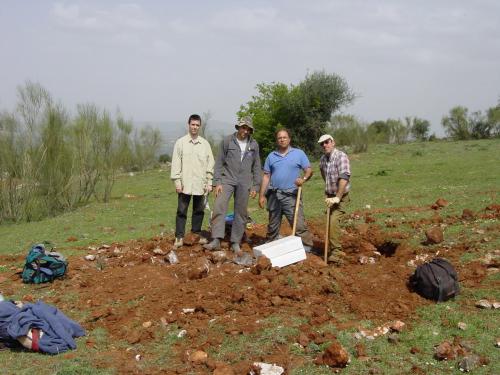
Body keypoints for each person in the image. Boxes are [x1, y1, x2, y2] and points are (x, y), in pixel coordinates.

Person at [204, 117, 261, 252]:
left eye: (248, 129)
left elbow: (257, 166)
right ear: (238, 127)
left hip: (245, 181)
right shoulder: (228, 141)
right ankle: (216, 239)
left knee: (241, 212)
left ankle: (235, 241)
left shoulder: (254, 145)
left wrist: (255, 186)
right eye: (243, 128)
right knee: (219, 206)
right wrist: (217, 182)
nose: (245, 131)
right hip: (227, 179)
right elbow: (219, 163)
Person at [258, 129, 314, 251]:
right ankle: (272, 245)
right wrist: (261, 195)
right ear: (277, 140)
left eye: (284, 137)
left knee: (298, 224)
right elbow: (266, 176)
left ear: (289, 139)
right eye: (279, 138)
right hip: (274, 194)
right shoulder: (271, 156)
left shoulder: (298, 153)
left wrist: (303, 179)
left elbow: (309, 170)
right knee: (273, 225)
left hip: (291, 195)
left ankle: (307, 248)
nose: (282, 139)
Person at [170, 114, 215, 249]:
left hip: (200, 185)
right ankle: (179, 237)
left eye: (197, 125)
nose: (194, 127)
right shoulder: (181, 143)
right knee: (181, 211)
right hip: (185, 185)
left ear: (199, 127)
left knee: (199, 211)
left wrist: (209, 181)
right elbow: (176, 164)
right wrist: (177, 182)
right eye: (192, 124)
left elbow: (210, 164)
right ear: (188, 125)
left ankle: (195, 234)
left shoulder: (205, 144)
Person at [318, 134, 351, 264]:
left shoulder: (341, 156)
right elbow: (323, 174)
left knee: (333, 222)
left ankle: (336, 253)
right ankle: (332, 249)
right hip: (330, 196)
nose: (325, 145)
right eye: (322, 144)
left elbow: (344, 177)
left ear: (333, 142)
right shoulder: (322, 160)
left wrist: (337, 196)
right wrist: (329, 193)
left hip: (341, 197)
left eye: (327, 142)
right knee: (328, 224)